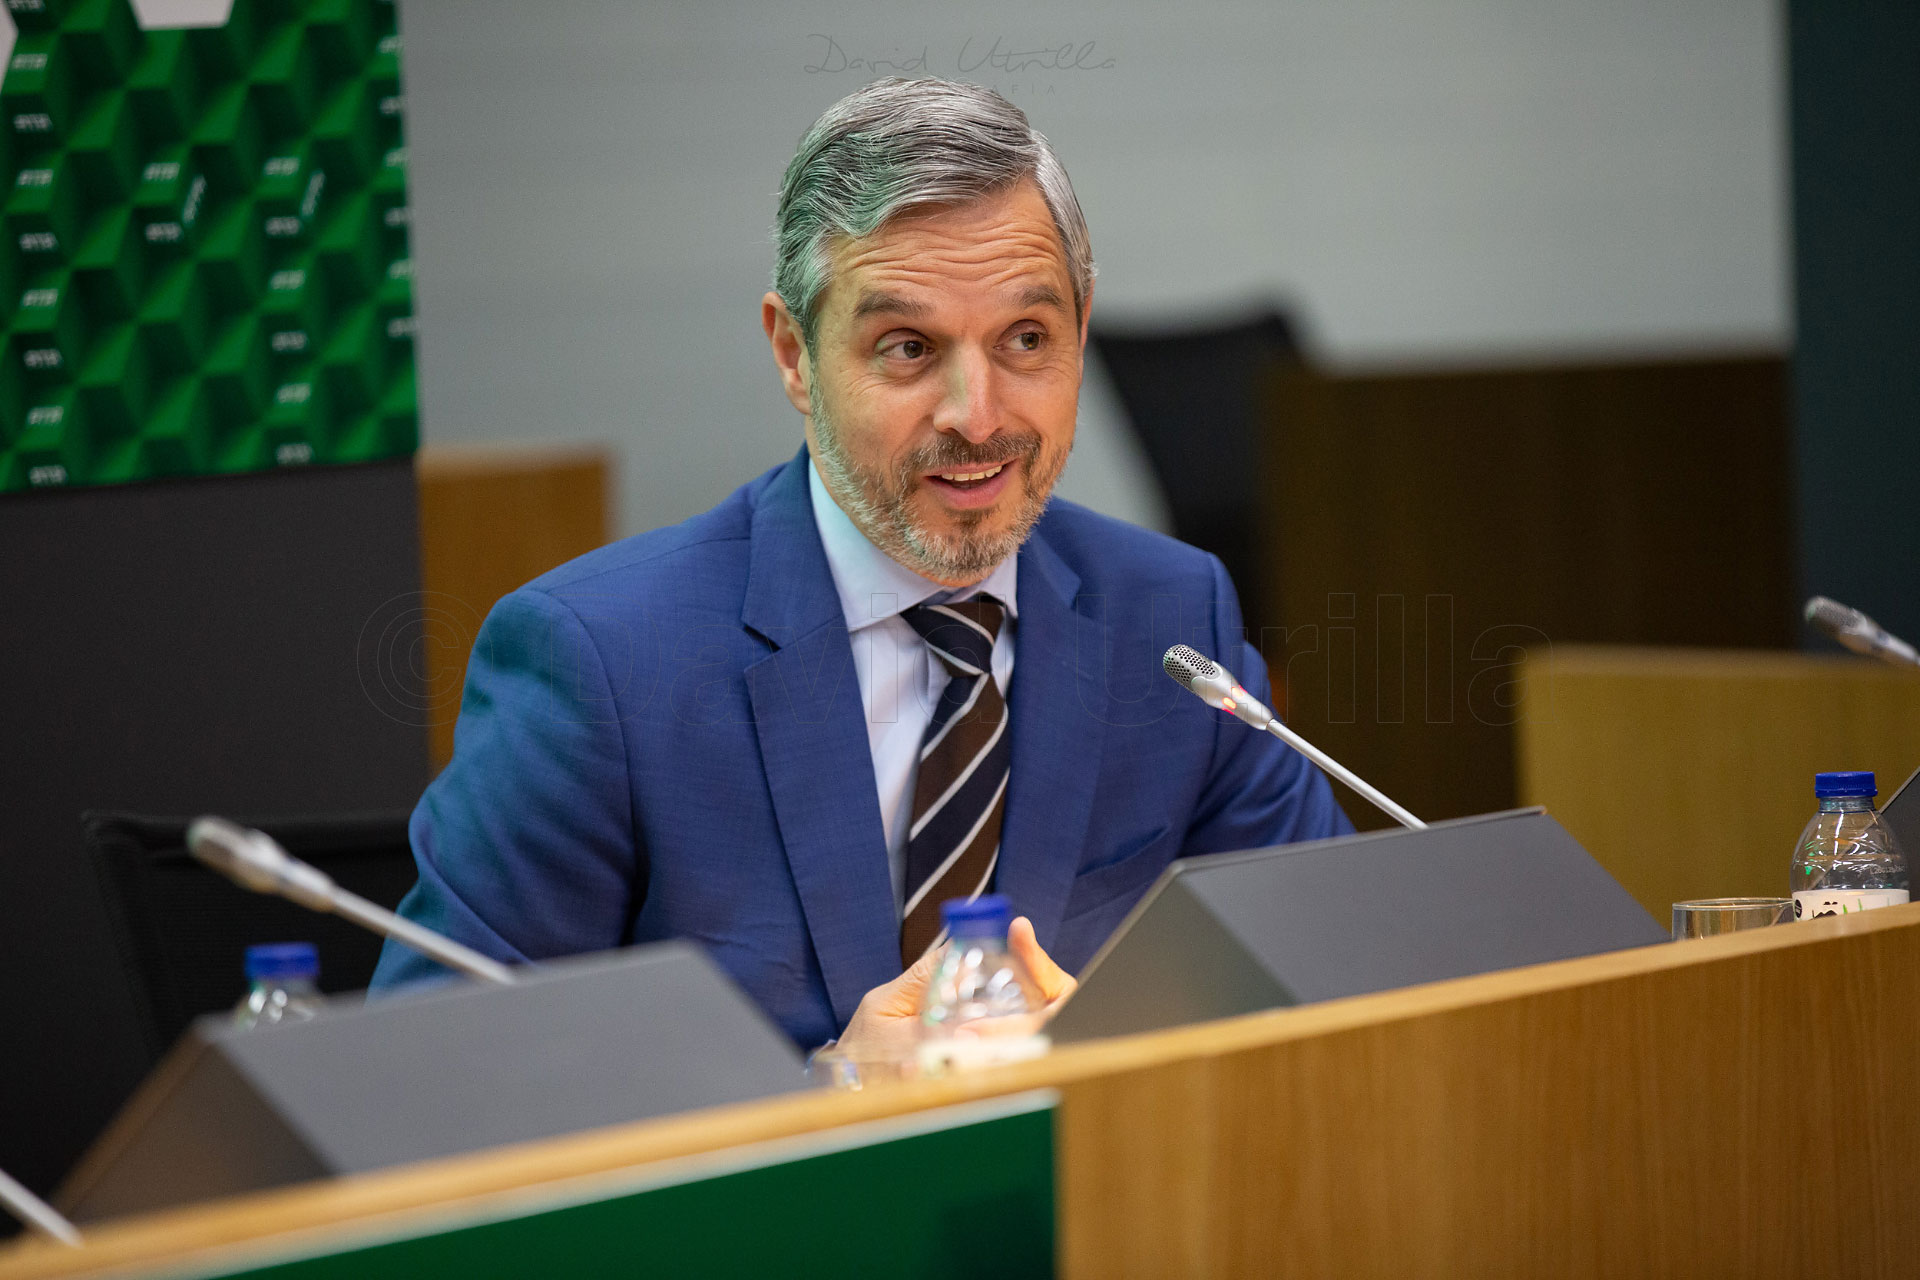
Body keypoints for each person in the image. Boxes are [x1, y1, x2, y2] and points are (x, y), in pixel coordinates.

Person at [370, 78, 1352, 1056]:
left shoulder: (1173, 621)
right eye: (908, 347)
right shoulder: (601, 666)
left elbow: (1331, 991)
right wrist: (823, 1095)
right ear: (794, 354)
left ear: (1081, 331)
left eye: (1026, 339)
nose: (979, 416)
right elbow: (438, 1074)